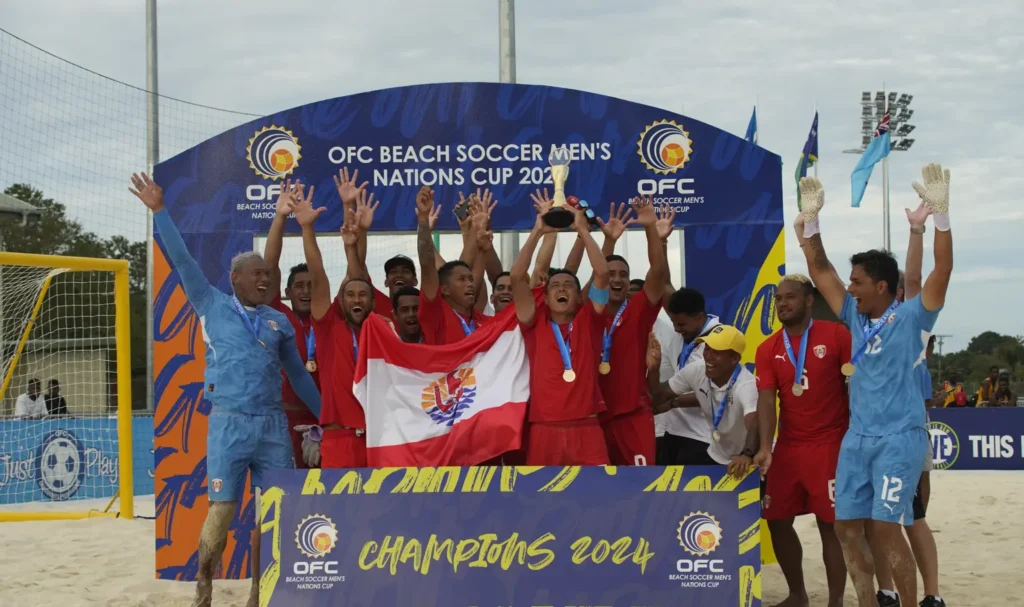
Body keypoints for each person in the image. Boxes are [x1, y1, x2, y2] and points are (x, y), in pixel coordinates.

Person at [129, 172, 320, 607]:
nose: (264, 281)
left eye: (267, 276)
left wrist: (330, 416)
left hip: (272, 425)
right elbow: (182, 261)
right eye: (255, 275)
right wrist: (160, 210)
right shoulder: (211, 303)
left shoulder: (278, 321)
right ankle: (203, 588)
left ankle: (259, 593)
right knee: (222, 511)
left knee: (275, 509)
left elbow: (301, 377)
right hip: (228, 424)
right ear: (234, 279)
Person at [796, 163, 953, 607]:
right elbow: (819, 267)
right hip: (857, 438)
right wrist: (812, 222)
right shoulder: (852, 314)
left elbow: (942, 270)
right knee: (847, 526)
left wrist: (940, 219)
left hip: (899, 437)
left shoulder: (911, 316)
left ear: (882, 286)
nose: (850, 288)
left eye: (858, 282)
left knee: (887, 526)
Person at [753, 274, 852, 607]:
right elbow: (767, 401)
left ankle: (835, 601)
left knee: (831, 526)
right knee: (776, 519)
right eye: (779, 298)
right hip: (790, 447)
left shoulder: (837, 335)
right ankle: (797, 594)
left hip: (830, 444)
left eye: (790, 297)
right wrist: (766, 448)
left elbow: (855, 388)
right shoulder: (768, 348)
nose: (783, 303)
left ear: (809, 300)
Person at [509, 196, 610, 465]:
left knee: (599, 502)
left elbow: (602, 274)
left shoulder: (591, 319)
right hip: (544, 429)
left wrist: (583, 231)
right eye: (555, 285)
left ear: (579, 298)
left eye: (568, 285)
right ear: (545, 297)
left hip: (587, 429)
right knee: (542, 505)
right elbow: (516, 277)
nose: (562, 288)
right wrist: (538, 230)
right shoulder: (533, 321)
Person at [296, 184, 374, 469]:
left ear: (372, 302)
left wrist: (354, 240)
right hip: (339, 438)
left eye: (363, 295)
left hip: (378, 438)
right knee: (342, 514)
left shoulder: (380, 330)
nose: (356, 298)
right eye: (349, 294)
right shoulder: (330, 328)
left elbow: (357, 272)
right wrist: (307, 229)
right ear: (340, 302)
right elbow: (319, 276)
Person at [596, 197, 668, 467]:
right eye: (611, 273)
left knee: (640, 492)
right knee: (596, 495)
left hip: (633, 416)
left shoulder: (638, 310)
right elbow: (596, 276)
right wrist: (609, 242)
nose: (616, 279)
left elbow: (658, 274)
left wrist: (650, 228)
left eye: (623, 275)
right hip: (594, 418)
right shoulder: (589, 311)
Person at [263, 180, 322, 468]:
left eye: (312, 285)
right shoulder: (278, 314)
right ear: (286, 292)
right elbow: (269, 268)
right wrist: (280, 218)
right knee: (287, 497)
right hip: (286, 421)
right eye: (299, 286)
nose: (306, 291)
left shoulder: (329, 318)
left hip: (326, 419)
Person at [647, 324, 758, 477]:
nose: (709, 356)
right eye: (707, 348)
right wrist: (654, 369)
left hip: (752, 457)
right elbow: (659, 398)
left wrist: (747, 454)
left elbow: (755, 424)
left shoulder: (746, 385)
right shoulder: (697, 370)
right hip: (719, 455)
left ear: (734, 358)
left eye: (717, 352)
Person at [415, 187, 489, 344]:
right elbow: (427, 264)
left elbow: (476, 273)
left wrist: (481, 243)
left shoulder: (485, 323)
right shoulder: (435, 316)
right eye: (462, 279)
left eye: (470, 279)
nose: (470, 284)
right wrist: (423, 220)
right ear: (444, 289)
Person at [657, 288, 722, 464]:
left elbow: (715, 392)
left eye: (681, 325)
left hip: (702, 436)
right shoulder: (686, 336)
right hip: (674, 431)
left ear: (700, 317)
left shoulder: (720, 341)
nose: (677, 330)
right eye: (674, 323)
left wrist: (672, 402)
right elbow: (664, 284)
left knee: (697, 492)